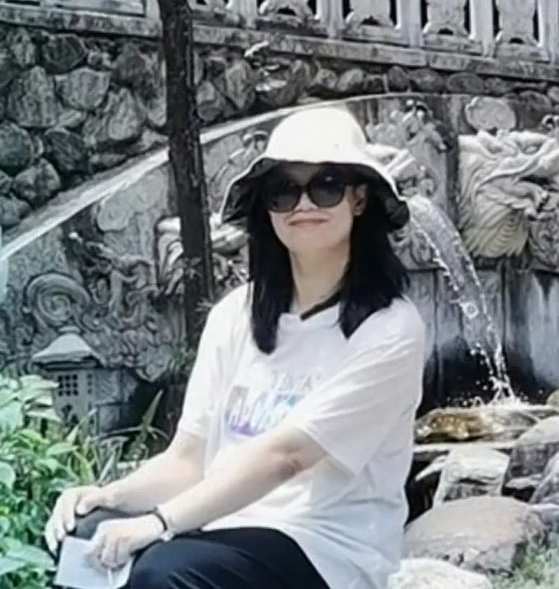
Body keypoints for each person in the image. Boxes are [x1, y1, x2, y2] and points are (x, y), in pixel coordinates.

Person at [45, 106, 427, 589]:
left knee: (164, 573)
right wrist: (108, 498)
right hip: (220, 532)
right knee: (82, 539)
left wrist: (160, 522)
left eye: (326, 185)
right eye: (283, 190)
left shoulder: (389, 329)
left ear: (358, 199)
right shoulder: (234, 315)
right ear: (267, 208)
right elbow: (189, 461)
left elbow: (287, 456)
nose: (303, 204)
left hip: (324, 550)